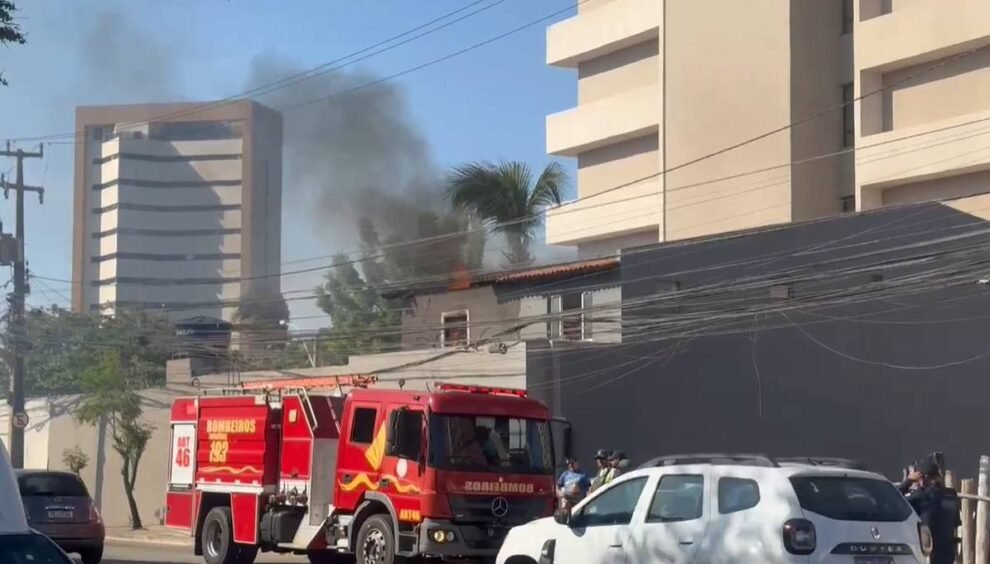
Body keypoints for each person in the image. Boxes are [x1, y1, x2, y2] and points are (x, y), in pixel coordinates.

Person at [898, 456, 960, 564]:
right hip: (947, 549)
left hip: (928, 550)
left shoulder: (921, 496)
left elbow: (894, 500)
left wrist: (907, 482)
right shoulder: (951, 494)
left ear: (922, 478)